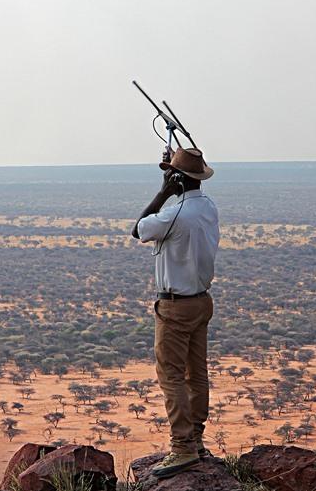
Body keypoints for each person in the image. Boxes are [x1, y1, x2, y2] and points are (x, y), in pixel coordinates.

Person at [132, 147, 220, 478]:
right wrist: (177, 180)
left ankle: (182, 447)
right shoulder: (208, 208)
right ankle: (195, 440)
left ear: (177, 180)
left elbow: (138, 228)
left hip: (175, 306)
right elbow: (186, 204)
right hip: (201, 302)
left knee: (170, 375)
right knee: (195, 373)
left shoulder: (174, 215)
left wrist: (162, 191)